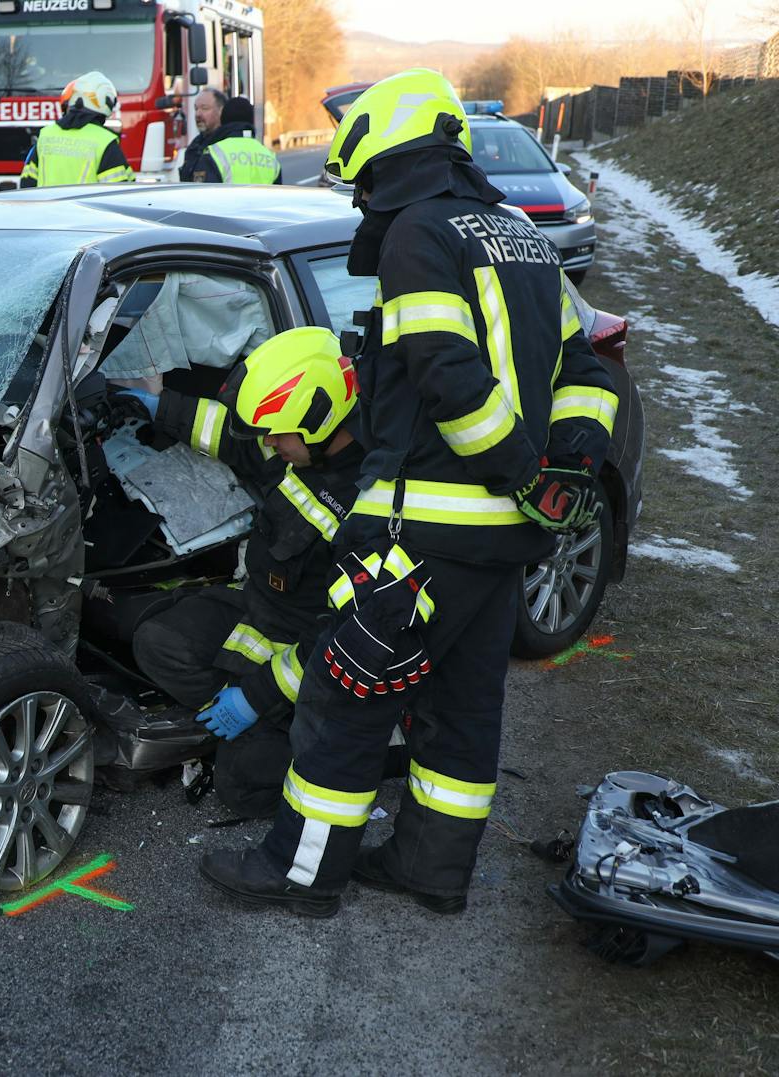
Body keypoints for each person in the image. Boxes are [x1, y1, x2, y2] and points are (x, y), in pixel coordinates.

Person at [198, 67, 617, 918]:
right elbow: (582, 369)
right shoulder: (518, 233)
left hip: (425, 531)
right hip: (506, 539)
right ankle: (431, 868)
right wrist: (564, 463)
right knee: (461, 709)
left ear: (388, 153)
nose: (361, 203)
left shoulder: (419, 233)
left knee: (342, 701)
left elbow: (443, 367)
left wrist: (515, 465)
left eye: (361, 184)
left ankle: (301, 872)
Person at [123, 327, 369, 817]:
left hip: (315, 661)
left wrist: (256, 698)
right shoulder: (301, 448)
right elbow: (231, 439)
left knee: (245, 787)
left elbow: (344, 637)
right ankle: (252, 724)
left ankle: (363, 751)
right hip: (260, 612)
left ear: (320, 422)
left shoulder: (370, 506)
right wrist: (154, 407)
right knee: (155, 641)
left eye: (278, 433)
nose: (270, 442)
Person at [19, 71, 134, 188]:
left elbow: (27, 183)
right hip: (85, 207)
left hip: (46, 206)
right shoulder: (104, 141)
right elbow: (119, 191)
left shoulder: (46, 135)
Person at [190, 96, 281, 184]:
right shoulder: (270, 158)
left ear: (224, 119)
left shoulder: (214, 154)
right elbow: (278, 198)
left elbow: (203, 195)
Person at [178, 87, 228, 182]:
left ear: (221, 111)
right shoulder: (194, 147)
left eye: (205, 108)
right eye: (196, 108)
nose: (198, 114)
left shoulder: (227, 144)